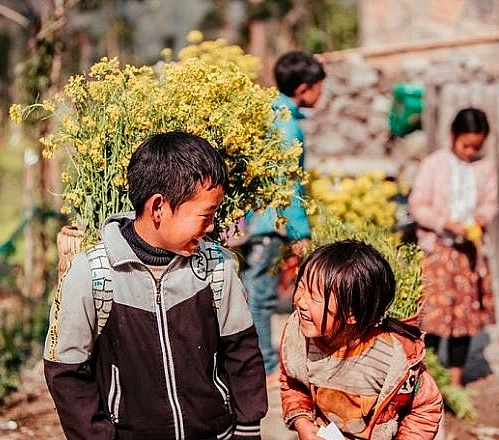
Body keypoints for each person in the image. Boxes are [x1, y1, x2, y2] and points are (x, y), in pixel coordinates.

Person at [43, 131, 268, 440]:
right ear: (159, 207)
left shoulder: (217, 267)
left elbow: (241, 351)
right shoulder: (92, 274)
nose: (212, 226)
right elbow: (66, 374)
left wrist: (247, 427)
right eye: (207, 214)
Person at [278, 240, 443, 440]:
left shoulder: (391, 360)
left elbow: (426, 406)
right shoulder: (299, 340)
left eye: (315, 297)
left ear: (351, 313)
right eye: (301, 287)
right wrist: (302, 422)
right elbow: (293, 383)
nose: (301, 301)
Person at [241, 51, 326, 385]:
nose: (321, 95)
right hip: (270, 225)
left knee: (258, 295)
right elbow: (287, 184)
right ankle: (267, 365)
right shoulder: (287, 125)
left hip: (259, 222)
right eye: (319, 88)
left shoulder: (269, 113)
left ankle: (265, 361)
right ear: (304, 89)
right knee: (260, 298)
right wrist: (300, 232)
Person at [408, 107, 498, 386]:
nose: (471, 151)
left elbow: (490, 202)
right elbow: (417, 204)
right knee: (432, 320)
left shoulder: (486, 167)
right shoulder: (434, 164)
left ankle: (456, 381)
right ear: (452, 136)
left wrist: (482, 218)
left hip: (467, 255)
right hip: (436, 252)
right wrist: (445, 223)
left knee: (463, 321)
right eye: (466, 145)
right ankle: (430, 381)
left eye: (477, 146)